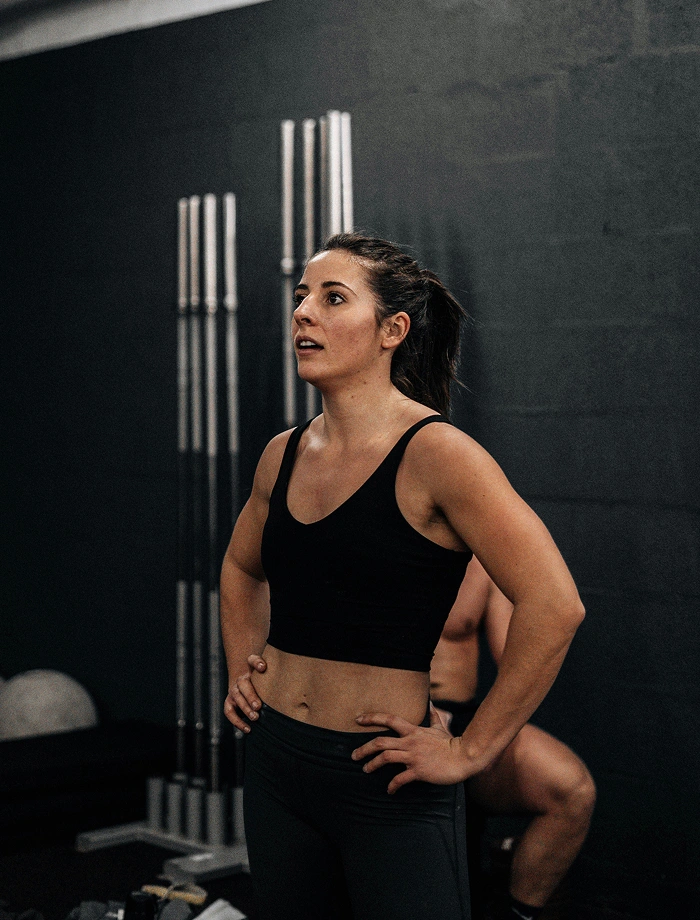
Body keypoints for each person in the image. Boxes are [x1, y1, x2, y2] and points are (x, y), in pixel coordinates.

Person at [219, 232, 585, 920]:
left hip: (383, 774)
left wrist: (472, 749)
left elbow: (554, 605)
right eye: (301, 297)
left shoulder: (439, 453)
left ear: (393, 330)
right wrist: (242, 662)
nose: (303, 313)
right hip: (276, 763)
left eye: (332, 298)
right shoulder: (284, 453)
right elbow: (241, 569)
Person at [431, 558, 596, 920]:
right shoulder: (383, 532)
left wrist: (540, 599)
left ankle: (515, 914)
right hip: (396, 712)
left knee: (572, 791)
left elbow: (514, 655)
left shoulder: (486, 556)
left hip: (462, 718)